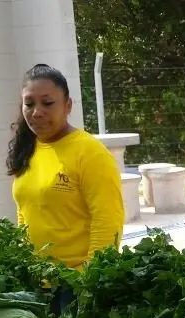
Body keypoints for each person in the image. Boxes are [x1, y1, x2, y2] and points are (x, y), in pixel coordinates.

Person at [7, 64, 124, 270]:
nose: (37, 112)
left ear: (67, 105)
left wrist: (89, 276)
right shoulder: (28, 148)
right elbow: (25, 212)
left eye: (48, 103)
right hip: (36, 279)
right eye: (29, 104)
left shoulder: (90, 153)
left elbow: (108, 220)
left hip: (76, 281)